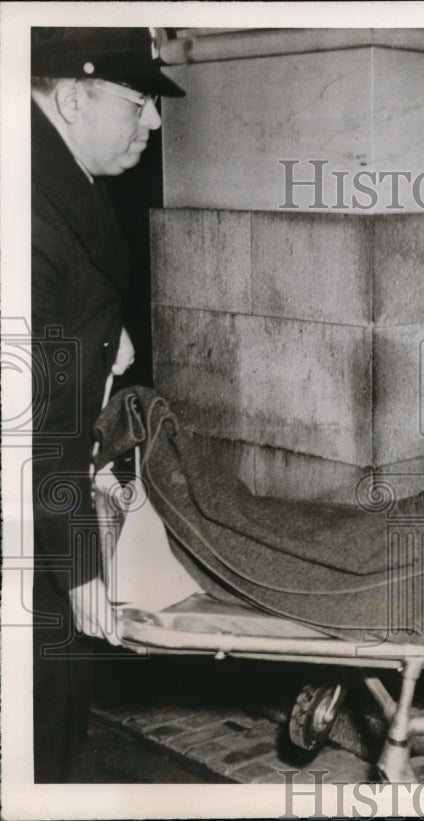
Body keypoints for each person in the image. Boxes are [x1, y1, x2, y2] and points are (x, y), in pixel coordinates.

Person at [30, 26, 185, 782]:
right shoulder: (29, 216)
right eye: (139, 101)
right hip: (29, 529)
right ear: (70, 97)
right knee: (37, 732)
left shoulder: (61, 179)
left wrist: (102, 338)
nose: (153, 121)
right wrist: (80, 563)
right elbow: (32, 425)